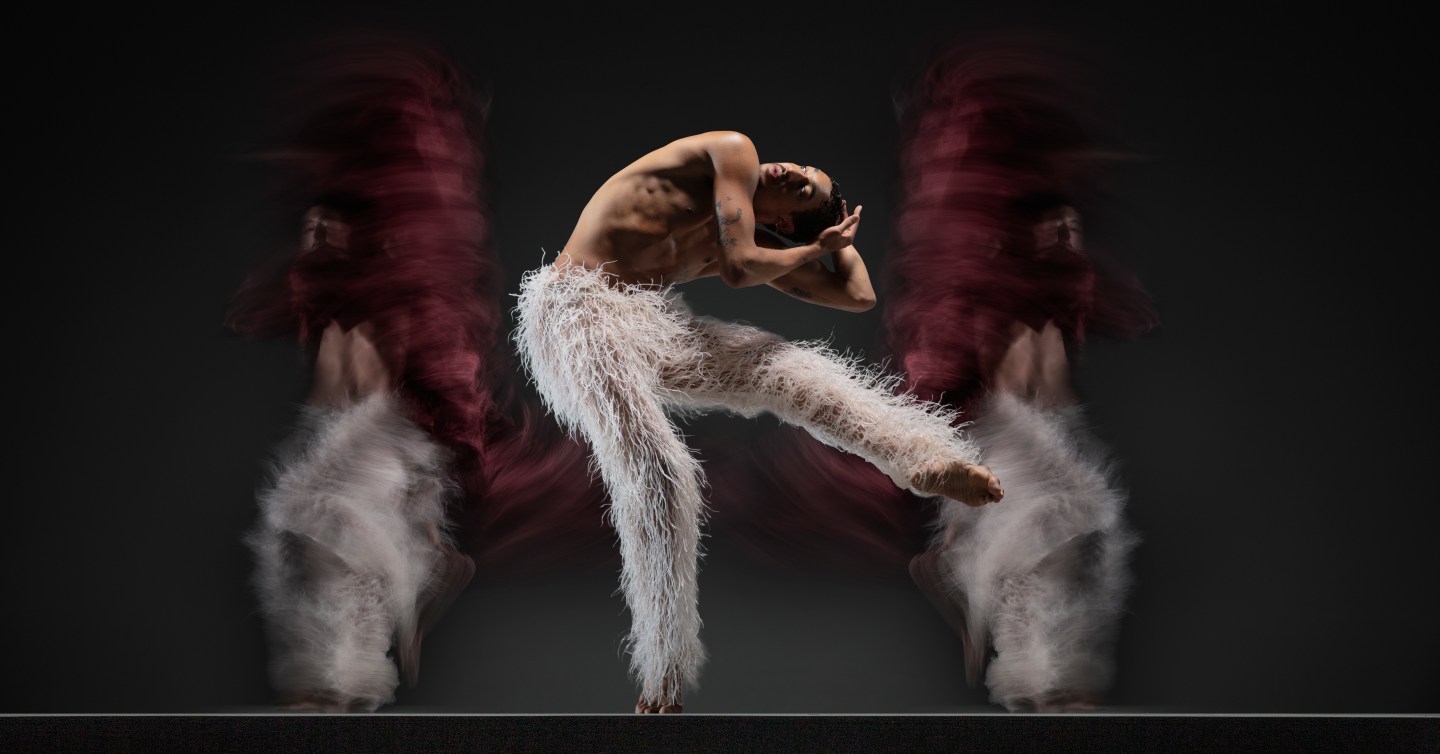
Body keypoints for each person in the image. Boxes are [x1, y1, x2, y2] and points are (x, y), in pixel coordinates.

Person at [512, 130, 1006, 713]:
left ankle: (919, 460)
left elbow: (857, 296)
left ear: (787, 222)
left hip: (644, 325)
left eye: (801, 189)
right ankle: (663, 677)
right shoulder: (734, 151)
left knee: (787, 369)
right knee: (659, 471)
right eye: (802, 167)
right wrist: (812, 245)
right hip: (573, 311)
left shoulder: (759, 245)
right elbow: (742, 268)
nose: (789, 172)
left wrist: (837, 242)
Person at [228, 39, 604, 712]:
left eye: (329, 223)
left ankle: (336, 681)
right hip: (357, 431)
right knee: (310, 530)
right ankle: (354, 657)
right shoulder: (333, 280)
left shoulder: (404, 274)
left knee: (323, 524)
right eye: (314, 222)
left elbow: (431, 323)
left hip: (393, 429)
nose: (317, 231)